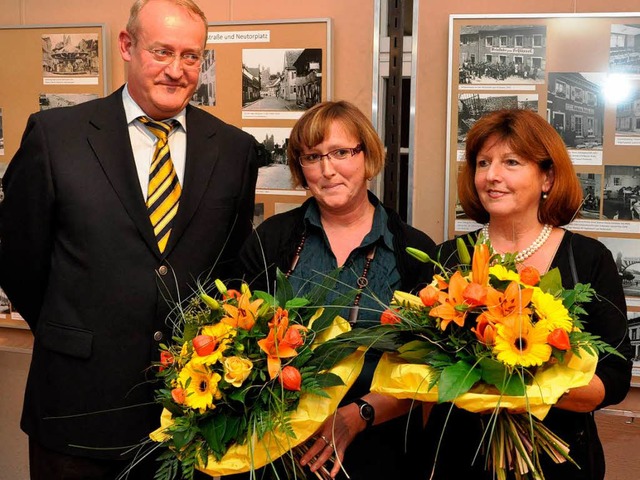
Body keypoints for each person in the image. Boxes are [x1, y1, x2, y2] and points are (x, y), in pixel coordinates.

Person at [0, 0, 258, 478]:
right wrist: (72, 330)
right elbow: (16, 258)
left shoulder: (234, 151)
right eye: (162, 52)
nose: (177, 70)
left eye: (191, 56)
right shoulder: (57, 137)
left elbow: (232, 270)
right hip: (77, 407)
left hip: (189, 418)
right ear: (127, 46)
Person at [422, 109, 632, 480]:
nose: (492, 176)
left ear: (547, 176)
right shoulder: (447, 260)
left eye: (511, 162)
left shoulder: (588, 259)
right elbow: (421, 363)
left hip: (560, 458)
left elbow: (614, 376)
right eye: (483, 163)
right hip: (461, 455)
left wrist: (525, 392)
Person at [237, 100, 436, 479]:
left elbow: (428, 366)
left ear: (367, 156)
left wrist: (358, 414)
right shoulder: (273, 240)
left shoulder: (414, 251)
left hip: (377, 451)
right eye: (313, 157)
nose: (327, 170)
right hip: (274, 451)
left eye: (341, 152)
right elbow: (238, 336)